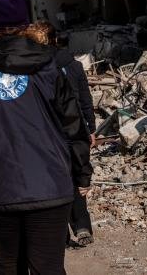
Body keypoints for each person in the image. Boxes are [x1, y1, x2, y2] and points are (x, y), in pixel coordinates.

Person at [0, 0, 93, 274]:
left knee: (8, 268)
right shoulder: (50, 68)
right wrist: (82, 173)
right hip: (49, 187)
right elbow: (73, 126)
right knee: (48, 268)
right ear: (26, 24)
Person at [35, 20, 97, 247]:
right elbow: (85, 100)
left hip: (48, 131)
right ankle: (82, 226)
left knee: (52, 182)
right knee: (76, 179)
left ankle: (60, 234)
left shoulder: (37, 68)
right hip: (74, 128)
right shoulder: (73, 65)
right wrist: (90, 128)